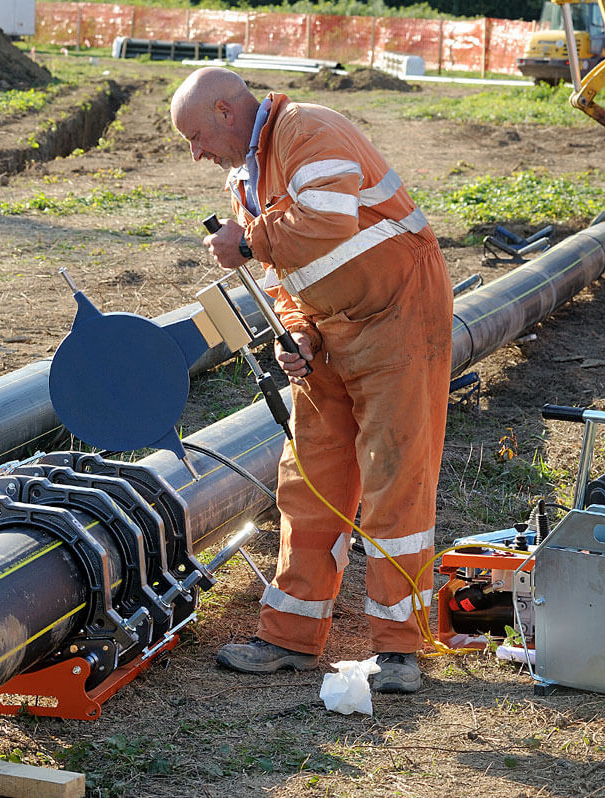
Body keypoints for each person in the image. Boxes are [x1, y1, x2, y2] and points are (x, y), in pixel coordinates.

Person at [170, 67, 451, 693]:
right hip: (332, 327)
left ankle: (400, 649)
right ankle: (290, 636)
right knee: (307, 481)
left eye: (194, 136)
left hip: (398, 315)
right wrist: (297, 334)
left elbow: (326, 221)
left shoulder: (306, 130)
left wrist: (247, 243)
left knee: (393, 478)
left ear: (224, 110)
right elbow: (286, 280)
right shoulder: (246, 180)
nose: (195, 154)